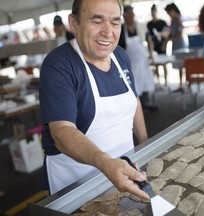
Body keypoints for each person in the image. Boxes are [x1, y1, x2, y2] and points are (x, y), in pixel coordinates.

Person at [39, 0, 150, 200]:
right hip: (76, 182)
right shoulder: (58, 65)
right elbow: (62, 132)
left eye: (115, 22)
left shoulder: (120, 56)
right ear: (74, 23)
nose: (108, 32)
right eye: (97, 21)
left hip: (127, 168)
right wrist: (106, 163)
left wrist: (145, 147)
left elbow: (135, 101)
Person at [118, 5, 158, 111]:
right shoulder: (121, 30)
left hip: (143, 60)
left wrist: (151, 56)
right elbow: (119, 48)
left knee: (145, 82)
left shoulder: (140, 26)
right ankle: (137, 106)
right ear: (124, 16)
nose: (132, 16)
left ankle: (146, 103)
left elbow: (149, 41)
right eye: (129, 14)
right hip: (131, 62)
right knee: (134, 84)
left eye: (133, 14)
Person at [164, 3, 188, 92]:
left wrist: (169, 40)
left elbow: (180, 34)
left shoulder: (178, 19)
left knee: (182, 65)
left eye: (168, 12)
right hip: (176, 44)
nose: (168, 14)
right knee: (179, 66)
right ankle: (181, 84)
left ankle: (184, 85)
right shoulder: (173, 20)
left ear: (173, 10)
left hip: (180, 45)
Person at [147, 4, 169, 86]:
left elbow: (167, 34)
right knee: (155, 64)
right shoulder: (149, 24)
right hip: (154, 45)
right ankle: (158, 81)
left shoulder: (162, 22)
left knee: (164, 63)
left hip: (162, 44)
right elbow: (148, 37)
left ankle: (166, 82)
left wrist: (161, 35)